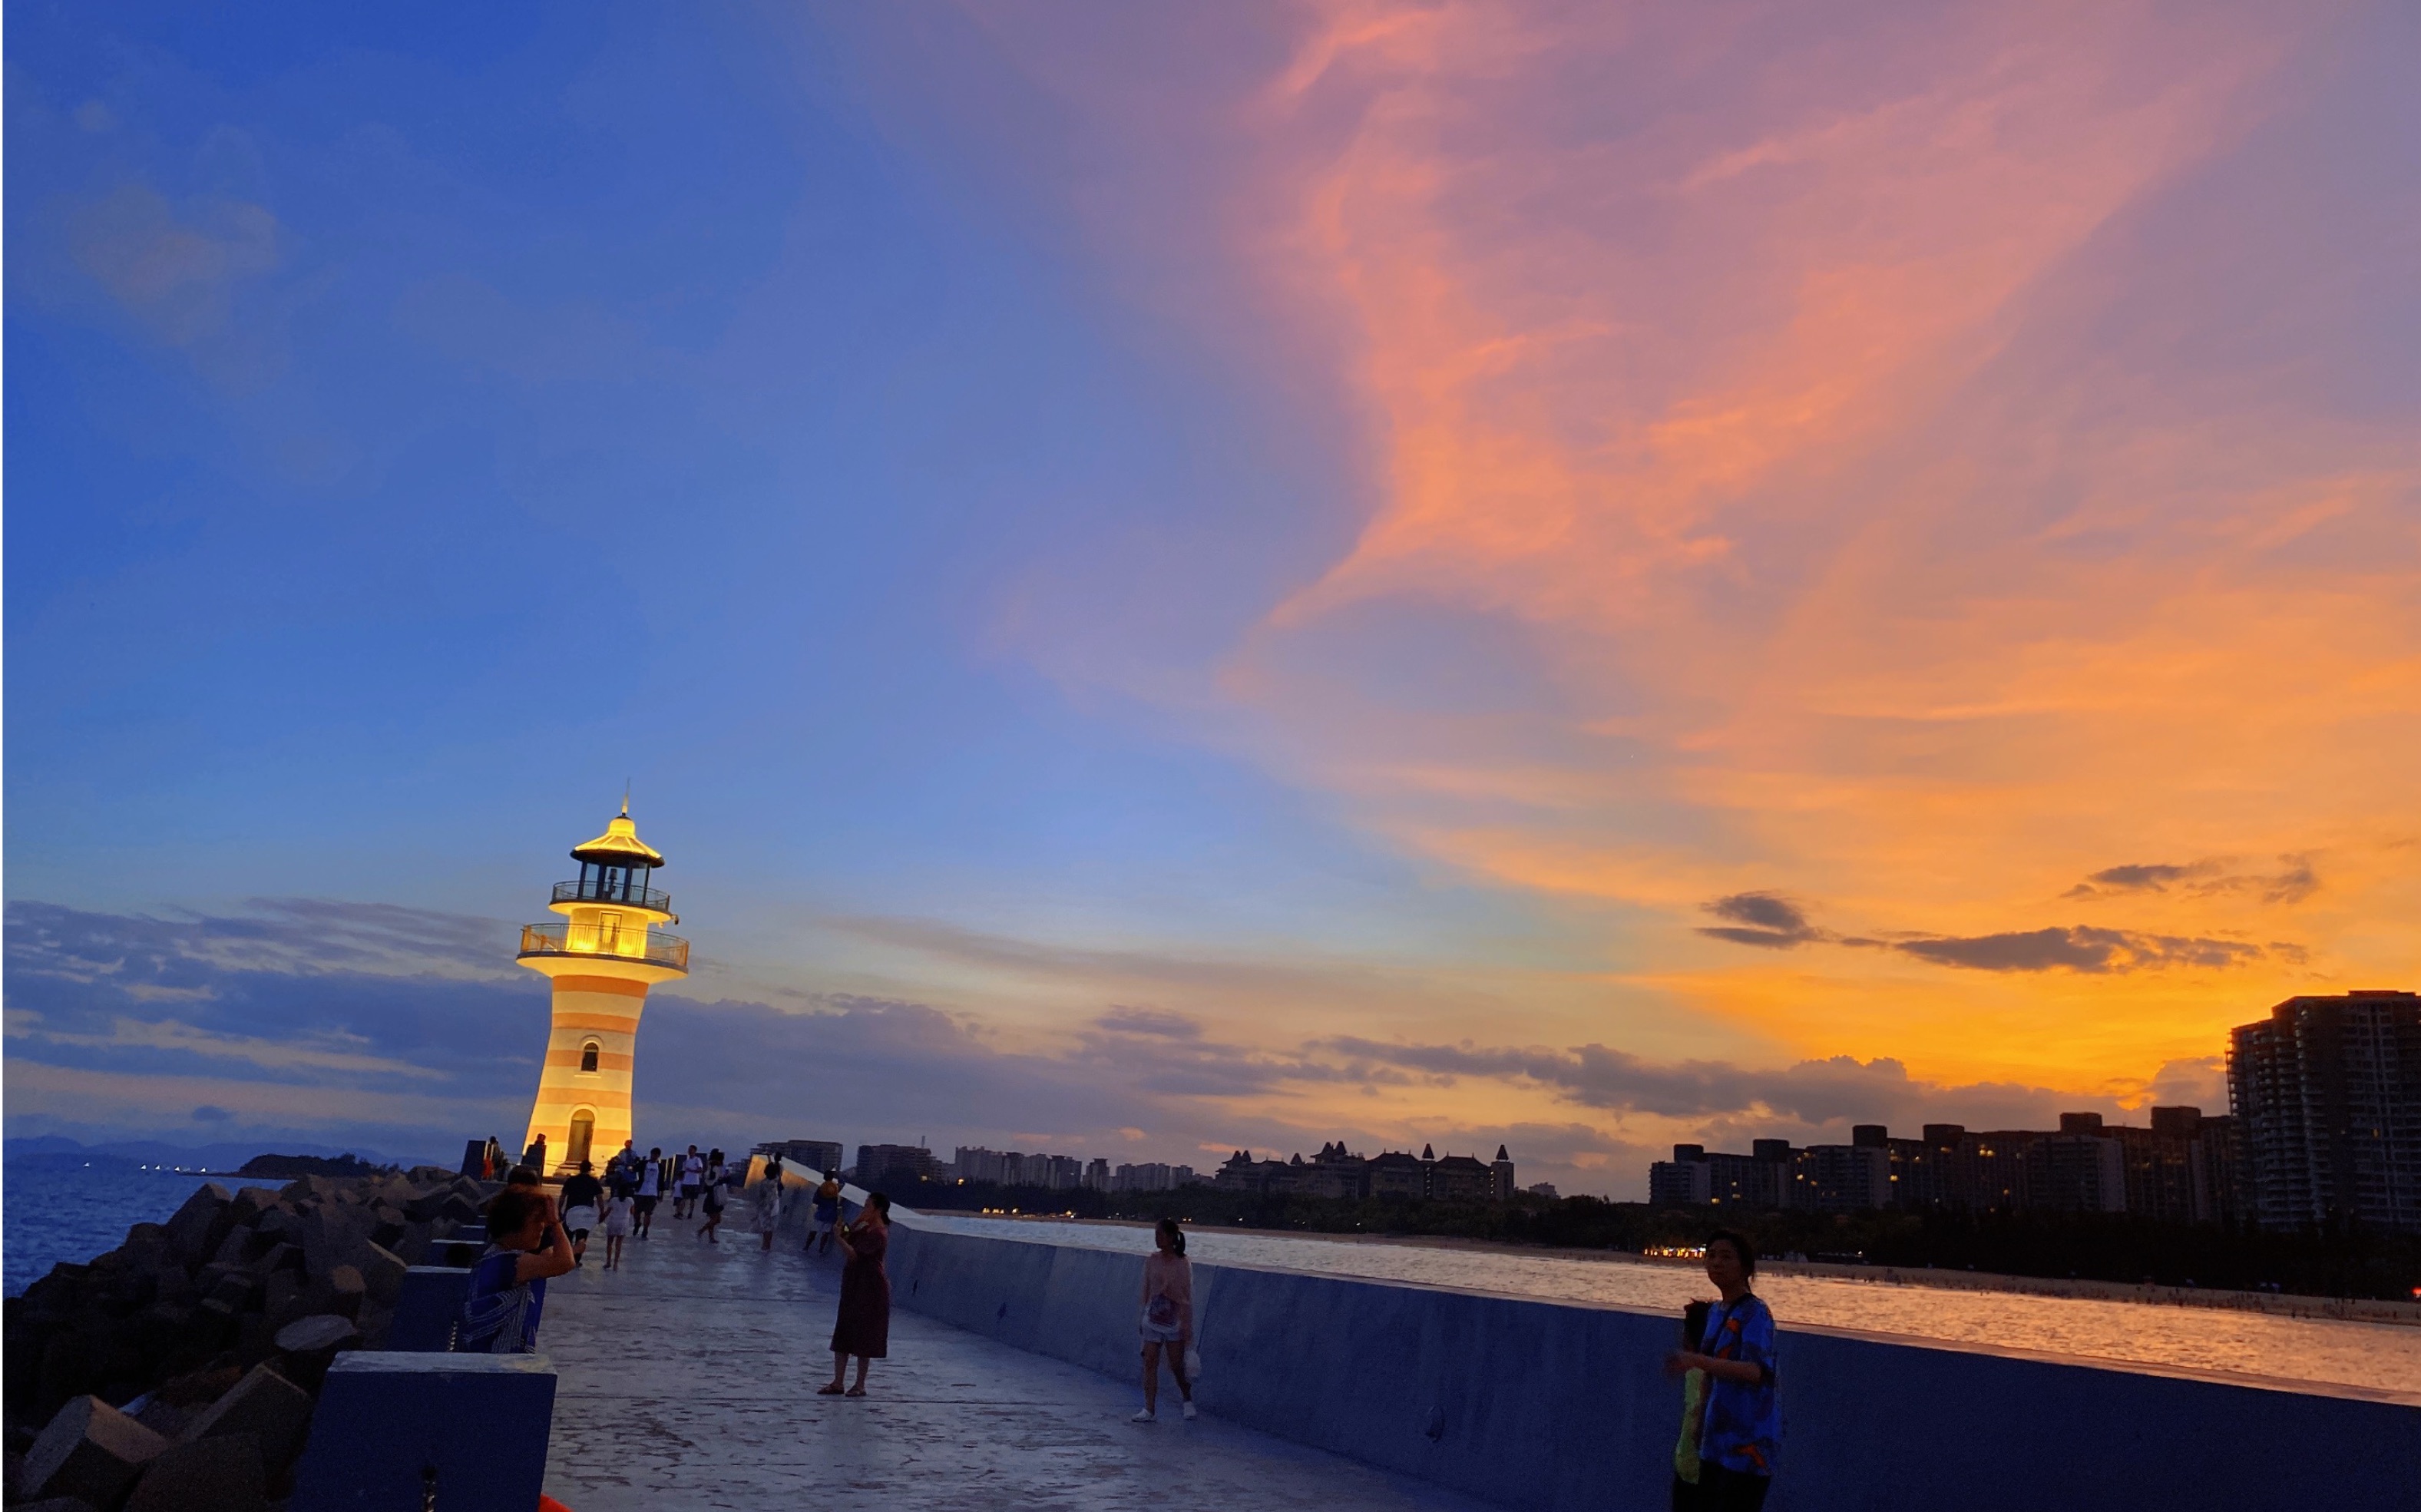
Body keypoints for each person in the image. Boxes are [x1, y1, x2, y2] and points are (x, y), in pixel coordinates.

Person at [1664, 1231, 1779, 1511]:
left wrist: (1696, 1361)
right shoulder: (1716, 1311)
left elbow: (1756, 1371)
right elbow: (1709, 1372)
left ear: (1745, 1267)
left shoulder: (1756, 1313)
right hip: (1714, 1440)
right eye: (1711, 1255)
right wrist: (1700, 1420)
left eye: (1726, 1257)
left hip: (1747, 1441)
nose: (1716, 1263)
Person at [459, 1186, 576, 1352]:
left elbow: (554, 1258)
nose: (542, 1227)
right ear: (515, 1223)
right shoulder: (513, 1263)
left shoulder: (493, 1257)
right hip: (497, 1361)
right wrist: (556, 1224)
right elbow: (565, 1262)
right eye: (537, 1221)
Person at [820, 1191, 891, 1397]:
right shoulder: (867, 1229)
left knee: (864, 1335)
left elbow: (853, 1255)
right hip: (854, 1284)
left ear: (877, 1210)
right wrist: (854, 1222)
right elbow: (847, 1234)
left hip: (870, 1287)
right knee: (844, 1330)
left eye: (868, 1207)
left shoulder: (879, 1234)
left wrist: (838, 1238)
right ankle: (838, 1382)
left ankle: (860, 1384)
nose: (865, 1209)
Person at [1132, 1216, 1196, 1422]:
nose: (1157, 1239)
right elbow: (1146, 1289)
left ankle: (1187, 1398)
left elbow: (1185, 1296)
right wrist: (1142, 1314)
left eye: (1160, 1235)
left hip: (1173, 1320)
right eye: (1155, 1235)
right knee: (1150, 1362)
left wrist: (1187, 1328)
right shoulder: (1152, 1259)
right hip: (1153, 1317)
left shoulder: (1182, 1263)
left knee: (1176, 1365)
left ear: (1170, 1237)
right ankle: (1149, 1409)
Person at [1669, 1299, 1714, 1510]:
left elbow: (1699, 1414)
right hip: (1687, 1469)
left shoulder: (1701, 1374)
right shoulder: (1694, 1371)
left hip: (1696, 1474)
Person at [559, 1160, 604, 1267]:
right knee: (581, 1238)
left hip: (571, 1211)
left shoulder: (571, 1180)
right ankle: (576, 1260)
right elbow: (600, 1199)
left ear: (580, 1168)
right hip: (586, 1213)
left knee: (568, 1236)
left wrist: (559, 1209)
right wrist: (602, 1212)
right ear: (590, 1169)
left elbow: (563, 1196)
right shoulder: (594, 1182)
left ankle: (567, 1258)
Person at [600, 1186, 635, 1270]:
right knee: (619, 1244)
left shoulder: (613, 1200)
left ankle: (608, 1262)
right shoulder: (630, 1200)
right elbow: (632, 1212)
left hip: (613, 1222)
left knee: (609, 1243)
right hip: (623, 1223)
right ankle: (616, 1264)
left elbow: (607, 1212)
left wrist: (601, 1218)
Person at [756, 1167, 786, 1252]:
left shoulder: (763, 1183)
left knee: (766, 1227)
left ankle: (764, 1245)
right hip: (774, 1206)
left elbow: (760, 1195)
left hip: (764, 1206)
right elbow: (781, 1189)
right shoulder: (776, 1182)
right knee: (771, 1228)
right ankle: (767, 1246)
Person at [811, 1174, 842, 1257]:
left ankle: (806, 1247)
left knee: (814, 1231)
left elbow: (815, 1201)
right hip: (831, 1216)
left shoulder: (821, 1188)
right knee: (826, 1234)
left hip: (821, 1214)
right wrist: (838, 1175)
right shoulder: (835, 1187)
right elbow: (843, 1183)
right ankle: (821, 1250)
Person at [635, 1146, 663, 1239]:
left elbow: (661, 1181)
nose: (654, 1156)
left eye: (656, 1155)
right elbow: (634, 1169)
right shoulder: (643, 1164)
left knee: (648, 1213)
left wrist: (660, 1194)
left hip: (652, 1192)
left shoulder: (660, 1167)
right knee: (637, 1211)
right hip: (641, 1190)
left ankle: (645, 1230)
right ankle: (637, 1223)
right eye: (653, 1154)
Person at [697, 1170, 726, 1242]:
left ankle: (710, 1237)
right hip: (715, 1201)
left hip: (709, 1201)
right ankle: (703, 1231)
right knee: (716, 1220)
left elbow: (703, 1191)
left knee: (714, 1220)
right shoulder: (717, 1182)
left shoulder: (706, 1183)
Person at [679, 1145, 704, 1219]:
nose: (690, 1151)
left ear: (695, 1151)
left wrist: (691, 1170)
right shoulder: (686, 1161)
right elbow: (683, 1171)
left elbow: (700, 1170)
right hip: (686, 1182)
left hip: (694, 1182)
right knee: (684, 1198)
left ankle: (690, 1212)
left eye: (691, 1150)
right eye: (689, 1150)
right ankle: (680, 1212)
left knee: (692, 1199)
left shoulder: (697, 1160)